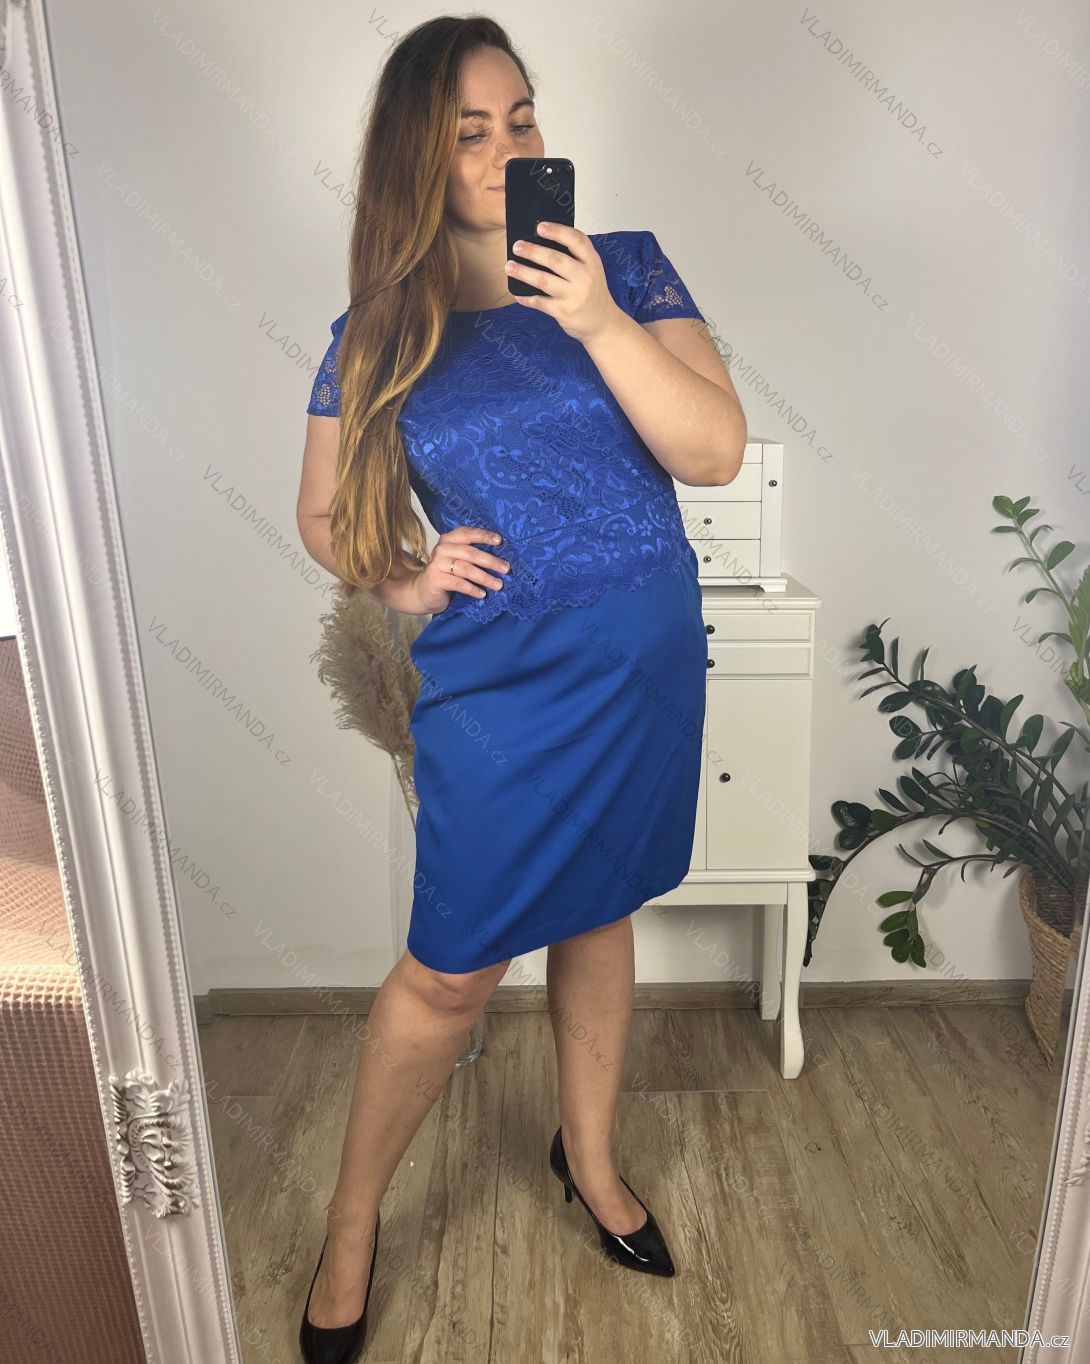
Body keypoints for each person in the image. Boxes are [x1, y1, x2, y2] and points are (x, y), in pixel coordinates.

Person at [295, 14, 746, 1359]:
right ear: (416, 159)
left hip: (642, 658)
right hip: (500, 685)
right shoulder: (378, 333)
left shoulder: (627, 269)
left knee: (600, 909)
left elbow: (713, 450)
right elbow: (323, 514)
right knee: (448, 975)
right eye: (470, 133)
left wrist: (595, 317)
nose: (506, 152)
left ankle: (587, 1159)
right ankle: (354, 1227)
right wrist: (404, 578)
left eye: (524, 121)